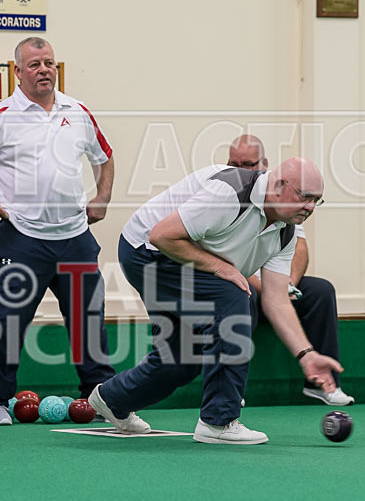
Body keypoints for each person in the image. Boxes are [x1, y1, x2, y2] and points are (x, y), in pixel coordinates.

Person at [89, 157, 344, 444]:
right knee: (235, 297)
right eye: (305, 197)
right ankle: (218, 420)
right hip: (148, 251)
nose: (310, 208)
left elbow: (276, 300)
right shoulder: (229, 193)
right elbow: (163, 235)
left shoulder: (285, 232)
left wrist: (306, 355)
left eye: (316, 201)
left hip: (183, 260)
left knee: (181, 360)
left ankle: (112, 399)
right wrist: (220, 267)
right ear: (279, 185)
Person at [0, 37, 117, 426]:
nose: (44, 70)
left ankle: (103, 398)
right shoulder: (1, 115)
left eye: (50, 63)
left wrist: (103, 196)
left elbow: (105, 157)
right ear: (17, 72)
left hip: (75, 236)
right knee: (9, 322)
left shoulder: (78, 111)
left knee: (89, 322)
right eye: (35, 64)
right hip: (22, 238)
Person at [227, 134, 354, 406]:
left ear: (264, 164)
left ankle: (323, 384)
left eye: (247, 164)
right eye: (233, 163)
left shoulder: (284, 198)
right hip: (243, 284)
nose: (240, 169)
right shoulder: (229, 198)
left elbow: (298, 249)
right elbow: (229, 264)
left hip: (277, 286)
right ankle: (230, 392)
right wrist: (271, 291)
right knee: (240, 293)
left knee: (320, 290)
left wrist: (289, 285)